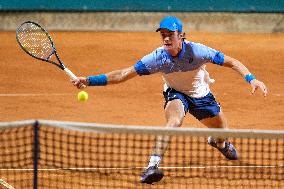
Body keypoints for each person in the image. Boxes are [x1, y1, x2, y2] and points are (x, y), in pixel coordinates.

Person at [72, 16, 268, 184]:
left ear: (181, 35)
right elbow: (123, 74)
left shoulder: (198, 52)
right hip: (176, 93)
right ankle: (152, 166)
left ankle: (219, 143)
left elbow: (232, 61)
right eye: (163, 34)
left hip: (201, 95)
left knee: (223, 132)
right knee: (173, 121)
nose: (166, 38)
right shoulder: (157, 58)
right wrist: (88, 81)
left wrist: (252, 78)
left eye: (170, 34)